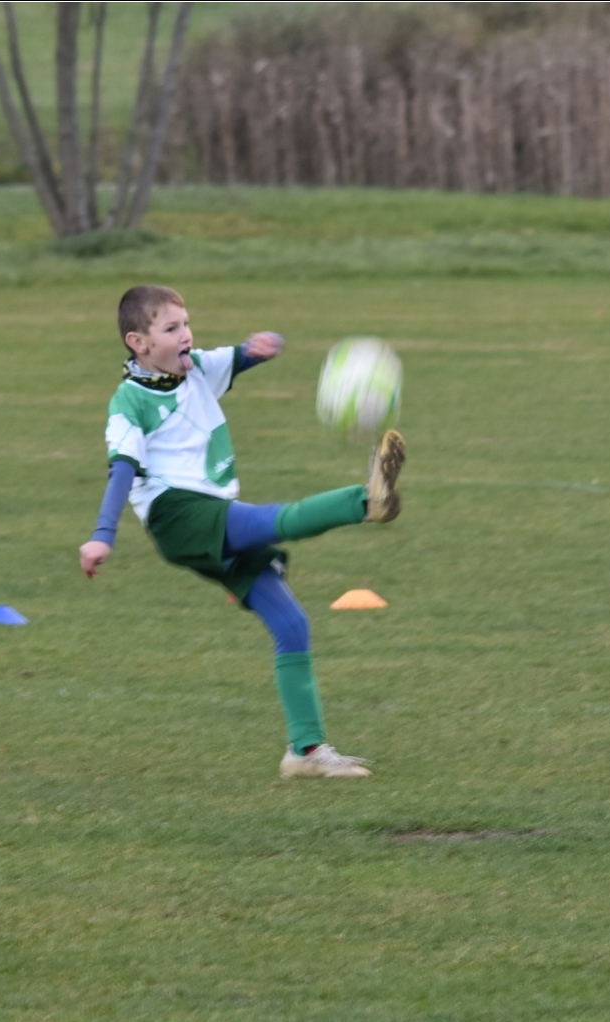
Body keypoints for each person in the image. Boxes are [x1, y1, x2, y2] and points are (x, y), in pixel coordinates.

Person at [78, 284, 404, 778]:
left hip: (208, 508)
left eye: (186, 324)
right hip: (176, 515)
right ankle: (366, 501)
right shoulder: (130, 402)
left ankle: (306, 751)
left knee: (291, 624)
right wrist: (104, 534)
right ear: (138, 343)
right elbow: (122, 467)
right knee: (277, 519)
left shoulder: (196, 368)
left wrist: (262, 346)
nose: (186, 335)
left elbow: (239, 356)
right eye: (171, 328)